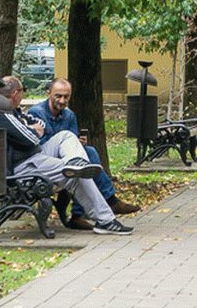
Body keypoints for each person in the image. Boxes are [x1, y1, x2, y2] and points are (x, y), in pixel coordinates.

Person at [0, 76, 133, 235]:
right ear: (16, 93)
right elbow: (31, 138)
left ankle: (77, 162)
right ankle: (106, 220)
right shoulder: (2, 113)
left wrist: (33, 128)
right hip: (24, 164)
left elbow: (36, 126)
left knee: (67, 137)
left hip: (32, 156)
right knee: (74, 174)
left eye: (66, 96)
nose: (62, 99)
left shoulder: (9, 111)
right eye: (23, 91)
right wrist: (33, 129)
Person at [29, 78, 140, 231]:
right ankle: (108, 201)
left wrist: (79, 143)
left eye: (66, 97)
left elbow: (71, 142)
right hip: (44, 159)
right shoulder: (37, 112)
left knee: (89, 153)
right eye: (58, 96)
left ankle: (80, 214)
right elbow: (40, 142)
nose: (62, 101)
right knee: (77, 156)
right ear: (49, 93)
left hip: (66, 159)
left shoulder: (69, 115)